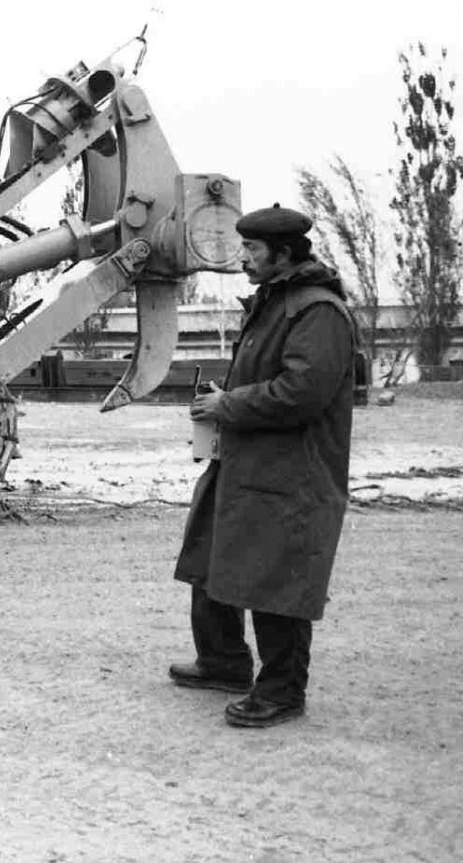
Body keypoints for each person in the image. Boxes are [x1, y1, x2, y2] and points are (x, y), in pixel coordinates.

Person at [171, 203, 358, 728]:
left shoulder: (317, 311)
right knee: (210, 555)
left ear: (283, 253)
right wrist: (223, 399)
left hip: (291, 474)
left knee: (278, 576)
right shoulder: (276, 303)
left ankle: (281, 691)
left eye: (252, 249)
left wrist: (228, 404)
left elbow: (303, 393)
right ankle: (224, 661)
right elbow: (271, 377)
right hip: (247, 464)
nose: (243, 257)